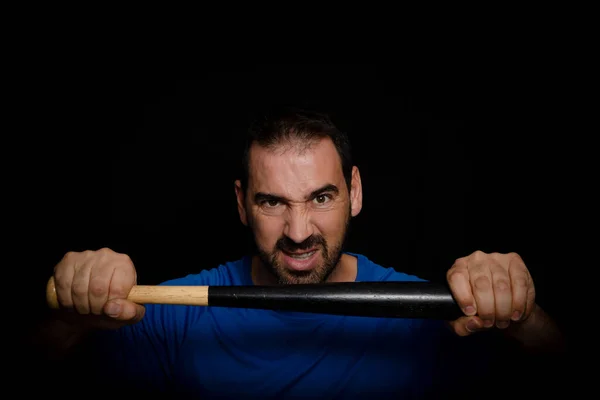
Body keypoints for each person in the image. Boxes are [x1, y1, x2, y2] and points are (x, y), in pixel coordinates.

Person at [40, 107, 565, 398]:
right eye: (272, 201)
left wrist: (520, 309)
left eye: (321, 197)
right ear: (242, 204)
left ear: (355, 192)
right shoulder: (175, 311)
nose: (297, 232)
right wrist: (71, 313)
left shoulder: (428, 312)